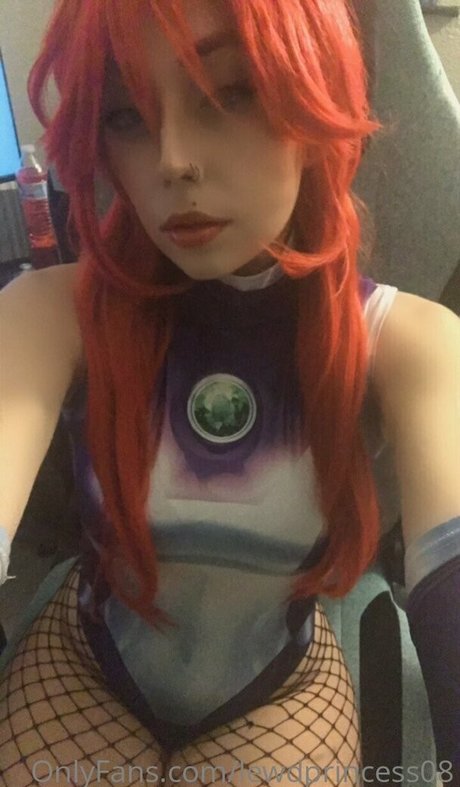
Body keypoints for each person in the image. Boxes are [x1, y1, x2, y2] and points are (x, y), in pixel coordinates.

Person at [1, 0, 459, 784]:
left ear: (316, 98)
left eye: (230, 94)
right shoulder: (50, 314)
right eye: (125, 116)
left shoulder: (410, 342)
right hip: (88, 657)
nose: (172, 160)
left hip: (275, 687)